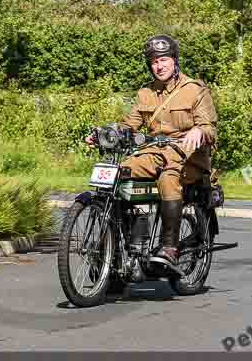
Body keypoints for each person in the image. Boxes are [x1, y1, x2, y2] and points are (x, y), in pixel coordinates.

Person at [87, 34, 218, 266]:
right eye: (154, 62)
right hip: (155, 153)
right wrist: (105, 134)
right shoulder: (145, 93)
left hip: (188, 157)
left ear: (174, 60)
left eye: (164, 60)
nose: (159, 66)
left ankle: (170, 248)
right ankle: (121, 248)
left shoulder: (195, 90)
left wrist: (199, 131)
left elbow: (210, 128)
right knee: (120, 172)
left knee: (168, 179)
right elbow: (129, 125)